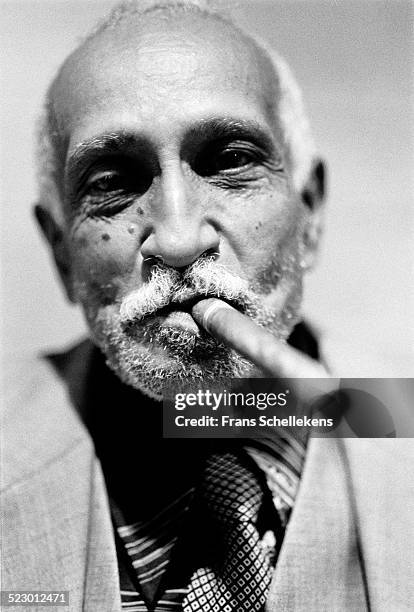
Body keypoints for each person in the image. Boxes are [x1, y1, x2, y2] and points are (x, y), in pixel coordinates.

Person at [2, 1, 413, 610]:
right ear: (62, 253)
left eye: (230, 162)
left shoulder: (399, 428)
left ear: (311, 218)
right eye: (113, 181)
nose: (177, 239)